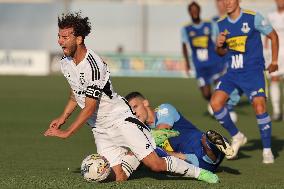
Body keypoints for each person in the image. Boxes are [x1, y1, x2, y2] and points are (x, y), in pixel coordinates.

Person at [43, 12, 219, 183]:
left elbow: (89, 107)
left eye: (65, 37)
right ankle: (137, 152)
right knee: (119, 177)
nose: (60, 41)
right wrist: (62, 118)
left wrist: (67, 133)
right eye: (59, 36)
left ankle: (200, 173)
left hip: (120, 120)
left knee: (156, 164)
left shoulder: (93, 66)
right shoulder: (65, 63)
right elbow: (75, 94)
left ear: (79, 39)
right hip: (100, 128)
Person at [211, 0, 279, 163]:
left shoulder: (253, 18)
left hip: (253, 72)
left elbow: (273, 35)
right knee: (215, 103)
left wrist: (274, 61)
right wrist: (219, 45)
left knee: (259, 106)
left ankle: (267, 150)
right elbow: (220, 52)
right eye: (223, 0)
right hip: (233, 73)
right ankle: (237, 136)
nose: (226, 3)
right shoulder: (219, 25)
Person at [125, 91, 234, 173]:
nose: (134, 112)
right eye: (131, 111)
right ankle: (216, 143)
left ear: (145, 103)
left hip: (197, 144)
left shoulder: (163, 110)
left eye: (135, 107)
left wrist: (137, 147)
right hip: (193, 163)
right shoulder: (144, 131)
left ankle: (214, 142)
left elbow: (162, 131)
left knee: (205, 142)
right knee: (171, 157)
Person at [181, 1, 225, 115]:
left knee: (219, 86)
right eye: (192, 11)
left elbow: (218, 40)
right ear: (189, 12)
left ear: (199, 11)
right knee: (206, 94)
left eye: (196, 10)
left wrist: (223, 52)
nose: (194, 12)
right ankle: (214, 103)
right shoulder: (186, 28)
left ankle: (221, 106)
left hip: (214, 63)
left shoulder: (209, 24)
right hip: (200, 67)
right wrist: (187, 62)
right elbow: (184, 46)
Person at [265, 0, 284, 121]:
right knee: (274, 78)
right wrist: (266, 49)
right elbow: (267, 34)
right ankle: (277, 111)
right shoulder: (270, 15)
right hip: (275, 51)